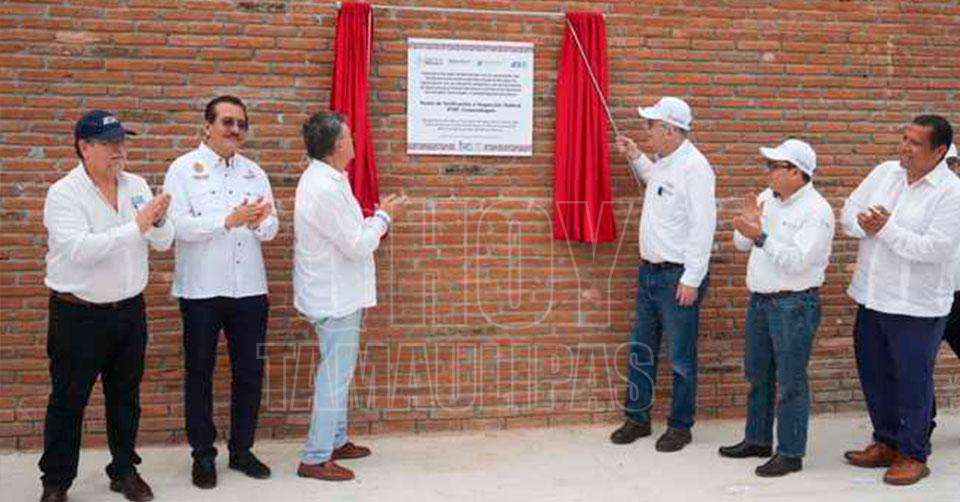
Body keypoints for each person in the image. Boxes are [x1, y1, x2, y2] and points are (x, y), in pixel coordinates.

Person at [39, 110, 172, 502]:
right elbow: (80, 250)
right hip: (78, 315)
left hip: (129, 311)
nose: (119, 150)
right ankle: (56, 482)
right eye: (109, 143)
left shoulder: (136, 185)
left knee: (125, 398)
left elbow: (162, 242)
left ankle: (124, 470)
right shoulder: (64, 193)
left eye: (121, 141)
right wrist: (138, 226)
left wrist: (158, 222)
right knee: (68, 401)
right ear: (84, 147)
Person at [163, 95, 277, 489]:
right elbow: (177, 227)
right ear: (207, 126)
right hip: (202, 290)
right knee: (200, 372)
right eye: (228, 122)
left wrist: (260, 222)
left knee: (250, 372)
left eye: (242, 123)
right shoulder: (183, 169)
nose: (235, 130)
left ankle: (242, 450)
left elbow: (272, 227)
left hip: (250, 290)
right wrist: (227, 221)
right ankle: (202, 454)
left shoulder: (254, 173)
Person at [841, 115, 960, 486]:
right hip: (872, 296)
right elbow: (849, 210)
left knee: (912, 382)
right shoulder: (884, 173)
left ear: (939, 151)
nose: (904, 148)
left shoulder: (951, 192)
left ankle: (912, 453)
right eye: (904, 138)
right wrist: (861, 223)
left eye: (915, 143)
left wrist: (886, 229)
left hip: (917, 306)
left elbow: (936, 249)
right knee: (875, 376)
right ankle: (887, 441)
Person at [293, 111, 407, 481]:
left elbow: (350, 233)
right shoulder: (324, 187)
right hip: (333, 296)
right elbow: (357, 245)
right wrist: (385, 217)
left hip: (338, 292)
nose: (354, 141)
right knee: (334, 376)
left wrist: (375, 219)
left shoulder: (329, 178)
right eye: (349, 136)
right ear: (336, 145)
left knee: (338, 370)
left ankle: (336, 439)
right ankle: (315, 456)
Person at [719, 139, 834, 477]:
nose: (767, 171)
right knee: (758, 374)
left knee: (790, 381)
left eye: (774, 166)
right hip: (761, 300)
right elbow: (742, 244)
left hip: (793, 304)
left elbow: (797, 262)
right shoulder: (767, 198)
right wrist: (748, 226)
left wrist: (760, 236)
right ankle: (757, 439)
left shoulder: (817, 211)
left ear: (797, 172)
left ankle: (790, 452)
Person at [609, 97, 717, 452]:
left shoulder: (695, 169)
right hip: (649, 274)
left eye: (651, 126)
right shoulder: (665, 162)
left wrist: (692, 278)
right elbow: (654, 181)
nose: (647, 131)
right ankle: (637, 419)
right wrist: (635, 155)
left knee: (681, 358)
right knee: (642, 349)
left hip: (677, 278)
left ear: (670, 130)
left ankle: (680, 426)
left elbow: (703, 226)